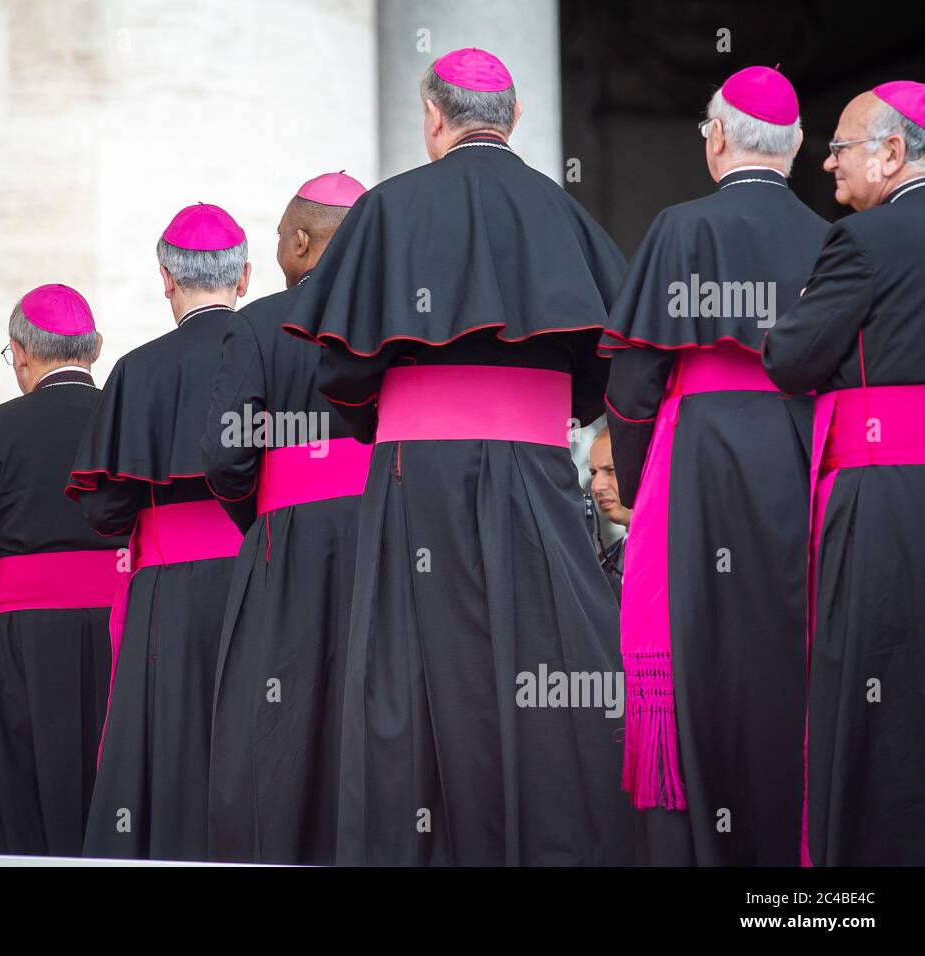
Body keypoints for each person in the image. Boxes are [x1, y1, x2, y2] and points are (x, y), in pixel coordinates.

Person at [284, 48, 632, 865]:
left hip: (418, 474)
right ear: (515, 119)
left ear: (433, 118)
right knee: (544, 656)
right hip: (539, 473)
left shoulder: (388, 209)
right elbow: (610, 359)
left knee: (408, 671)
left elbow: (338, 368)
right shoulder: (564, 214)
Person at [603, 66, 828, 865]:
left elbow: (632, 387)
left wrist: (636, 488)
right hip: (803, 456)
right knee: (790, 654)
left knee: (700, 650)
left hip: (697, 459)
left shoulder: (681, 227)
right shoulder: (830, 239)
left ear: (718, 138)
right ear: (798, 145)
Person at [764, 80, 925, 866]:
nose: (828, 165)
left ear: (892, 153)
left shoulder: (861, 243)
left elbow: (791, 358)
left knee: (879, 684)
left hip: (887, 495)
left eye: (842, 147)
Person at [67, 203, 249, 861]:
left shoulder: (138, 370)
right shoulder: (274, 349)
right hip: (264, 576)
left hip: (169, 593)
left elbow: (106, 512)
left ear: (166, 280)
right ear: (246, 276)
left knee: (171, 742)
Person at [203, 171, 370, 864]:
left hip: (289, 539)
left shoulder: (256, 324)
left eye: (278, 235)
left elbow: (225, 456)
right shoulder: (392, 314)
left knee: (279, 711)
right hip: (385, 533)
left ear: (301, 241)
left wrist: (266, 514)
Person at [0, 285, 127, 856]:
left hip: (23, 643)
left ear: (20, 352)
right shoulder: (128, 414)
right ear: (93, 348)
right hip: (126, 630)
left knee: (25, 799)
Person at [586, 426, 629, 601]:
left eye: (611, 470)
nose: (596, 486)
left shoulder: (687, 552)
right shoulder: (602, 562)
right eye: (593, 473)